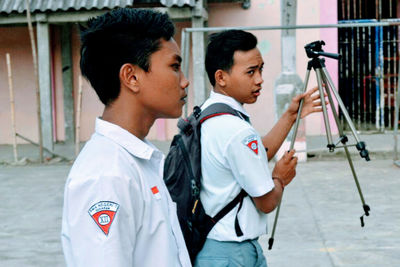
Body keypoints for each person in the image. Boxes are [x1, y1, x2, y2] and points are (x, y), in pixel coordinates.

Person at [61, 8, 191, 267]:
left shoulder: (139, 158)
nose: (184, 81)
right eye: (175, 66)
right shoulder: (107, 175)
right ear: (131, 77)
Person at [194, 30, 324, 267]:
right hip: (232, 254)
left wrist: (290, 116)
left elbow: (256, 154)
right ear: (221, 77)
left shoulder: (208, 114)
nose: (260, 79)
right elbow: (266, 202)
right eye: (250, 72)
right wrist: (279, 178)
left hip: (214, 246)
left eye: (261, 69)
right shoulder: (236, 130)